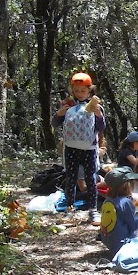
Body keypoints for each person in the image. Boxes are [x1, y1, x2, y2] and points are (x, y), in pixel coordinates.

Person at [52, 72, 106, 223]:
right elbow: (55, 124)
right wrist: (59, 114)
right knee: (71, 178)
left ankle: (93, 210)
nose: (80, 93)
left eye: (83, 90)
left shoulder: (96, 107)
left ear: (89, 90)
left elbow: (101, 128)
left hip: (89, 148)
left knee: (91, 179)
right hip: (71, 148)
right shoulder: (67, 105)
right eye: (76, 90)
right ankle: (70, 209)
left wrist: (99, 116)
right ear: (72, 90)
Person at [99, 166, 138, 257]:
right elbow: (135, 225)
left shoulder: (107, 200)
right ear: (127, 185)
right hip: (123, 244)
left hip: (108, 241)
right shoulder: (125, 202)